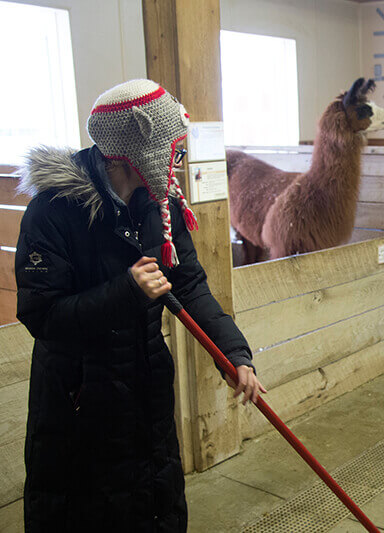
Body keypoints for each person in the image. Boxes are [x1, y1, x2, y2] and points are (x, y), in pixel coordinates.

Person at [16, 79, 265, 532]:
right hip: (80, 404)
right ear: (136, 149)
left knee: (154, 504)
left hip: (147, 390)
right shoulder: (53, 211)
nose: (178, 156)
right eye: (172, 145)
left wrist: (232, 352)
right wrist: (125, 291)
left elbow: (188, 284)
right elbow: (42, 316)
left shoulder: (158, 204)